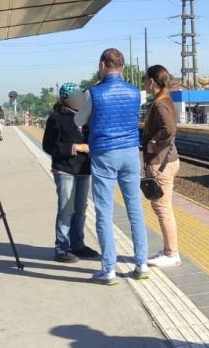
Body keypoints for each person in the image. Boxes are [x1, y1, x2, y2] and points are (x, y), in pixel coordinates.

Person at [75, 48, 149, 284]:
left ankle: (108, 269)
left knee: (104, 213)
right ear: (123, 67)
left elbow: (78, 121)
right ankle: (142, 264)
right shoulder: (135, 92)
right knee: (134, 209)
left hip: (105, 153)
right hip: (130, 153)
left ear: (102, 65)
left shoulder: (93, 93)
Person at [42, 83, 99, 263]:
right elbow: (48, 146)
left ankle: (78, 245)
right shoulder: (56, 118)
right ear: (66, 99)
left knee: (81, 209)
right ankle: (62, 247)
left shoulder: (86, 117)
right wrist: (74, 148)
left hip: (83, 169)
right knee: (66, 208)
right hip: (64, 169)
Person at [142, 65, 182, 267]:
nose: (144, 84)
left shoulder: (159, 104)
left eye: (144, 80)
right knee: (165, 208)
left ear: (151, 81)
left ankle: (171, 253)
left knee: (162, 208)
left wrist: (155, 144)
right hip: (168, 160)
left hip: (161, 163)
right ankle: (169, 249)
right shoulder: (166, 99)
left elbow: (169, 128)